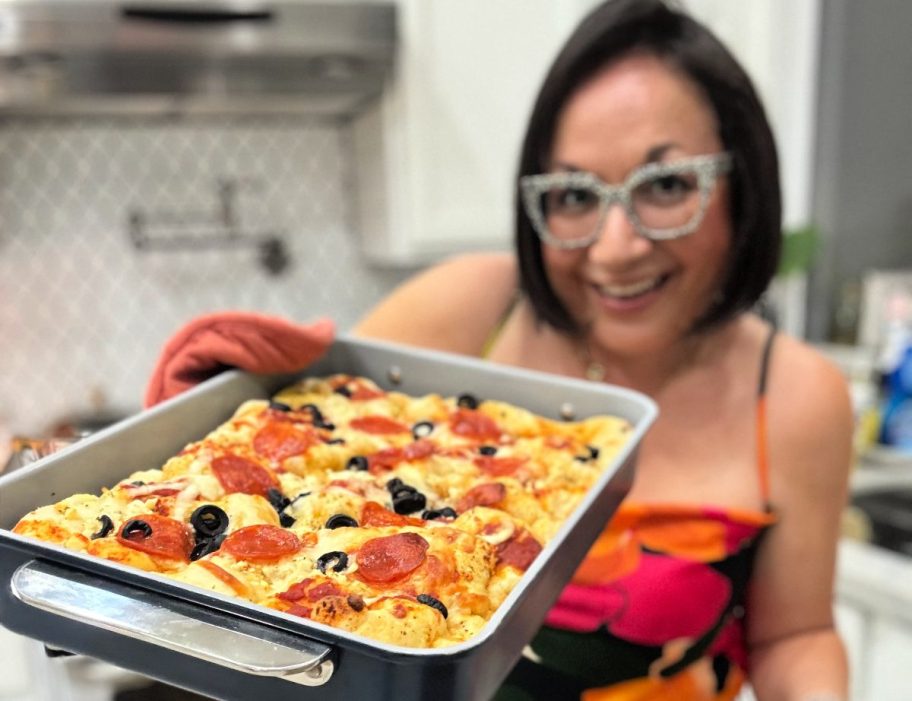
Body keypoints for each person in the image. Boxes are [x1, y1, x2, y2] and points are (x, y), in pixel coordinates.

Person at [145, 1, 852, 699]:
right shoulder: (469, 306)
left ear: (743, 183)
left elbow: (793, 636)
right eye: (575, 195)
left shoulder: (796, 395)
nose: (616, 247)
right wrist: (212, 409)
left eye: (665, 185)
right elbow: (289, 470)